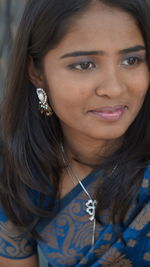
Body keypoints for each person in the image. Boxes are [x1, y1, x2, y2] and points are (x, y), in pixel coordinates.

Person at [0, 0, 150, 266]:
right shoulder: (17, 176)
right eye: (84, 65)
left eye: (131, 60)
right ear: (36, 72)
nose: (114, 88)